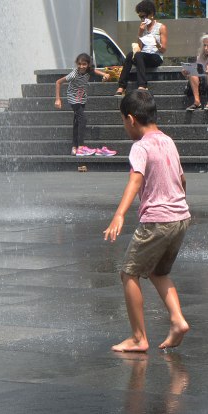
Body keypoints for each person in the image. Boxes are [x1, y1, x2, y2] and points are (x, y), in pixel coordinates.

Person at [104, 89, 191, 353]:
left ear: (130, 119)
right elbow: (182, 178)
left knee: (129, 273)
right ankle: (177, 320)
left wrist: (119, 214)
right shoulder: (168, 140)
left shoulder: (140, 147)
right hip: (180, 217)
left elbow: (136, 178)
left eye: (122, 121)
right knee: (158, 271)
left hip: (157, 221)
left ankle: (138, 337)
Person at [55, 53, 111, 157]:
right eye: (79, 64)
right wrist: (58, 99)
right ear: (77, 64)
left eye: (84, 64)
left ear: (88, 65)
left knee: (77, 122)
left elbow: (95, 71)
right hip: (73, 98)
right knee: (83, 119)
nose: (81, 66)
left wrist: (104, 75)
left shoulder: (89, 70)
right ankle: (81, 147)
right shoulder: (74, 74)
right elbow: (58, 82)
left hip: (82, 98)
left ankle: (74, 147)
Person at [115, 1, 168, 96]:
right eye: (141, 17)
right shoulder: (143, 28)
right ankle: (122, 86)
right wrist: (140, 33)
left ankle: (142, 85)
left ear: (151, 14)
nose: (143, 19)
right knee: (130, 55)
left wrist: (157, 43)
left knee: (139, 55)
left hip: (155, 56)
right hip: (142, 56)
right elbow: (140, 48)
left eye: (144, 16)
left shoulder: (161, 27)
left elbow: (163, 49)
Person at [181, 34, 208, 111]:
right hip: (202, 84)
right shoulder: (201, 56)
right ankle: (197, 102)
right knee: (192, 73)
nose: (206, 48)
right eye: (204, 45)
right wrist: (186, 72)